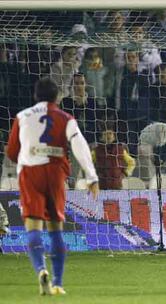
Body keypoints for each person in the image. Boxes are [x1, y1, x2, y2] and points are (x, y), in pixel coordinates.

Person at [6, 77, 99, 295]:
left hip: (30, 173)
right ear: (57, 97)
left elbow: (11, 152)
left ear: (35, 96)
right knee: (56, 228)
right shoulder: (66, 118)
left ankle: (40, 269)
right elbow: (80, 145)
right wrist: (92, 176)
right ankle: (57, 283)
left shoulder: (22, 117)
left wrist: (28, 153)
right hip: (55, 172)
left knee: (33, 226)